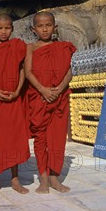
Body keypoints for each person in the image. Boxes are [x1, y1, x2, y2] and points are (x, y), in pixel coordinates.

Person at [25, 11, 76, 194]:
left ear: (55, 27)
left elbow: (71, 70)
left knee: (57, 139)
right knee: (40, 139)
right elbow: (28, 72)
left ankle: (55, 177)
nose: (44, 29)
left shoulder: (64, 47)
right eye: (40, 25)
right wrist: (43, 90)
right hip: (39, 97)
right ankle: (43, 179)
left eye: (48, 25)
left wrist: (60, 88)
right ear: (34, 29)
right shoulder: (30, 48)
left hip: (59, 97)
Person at [0, 14, 30, 195]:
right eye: (0, 28)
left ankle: (15, 179)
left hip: (13, 98)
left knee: (14, 138)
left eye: (7, 28)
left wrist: (17, 91)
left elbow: (23, 70)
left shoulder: (17, 46)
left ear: (12, 29)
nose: (4, 31)